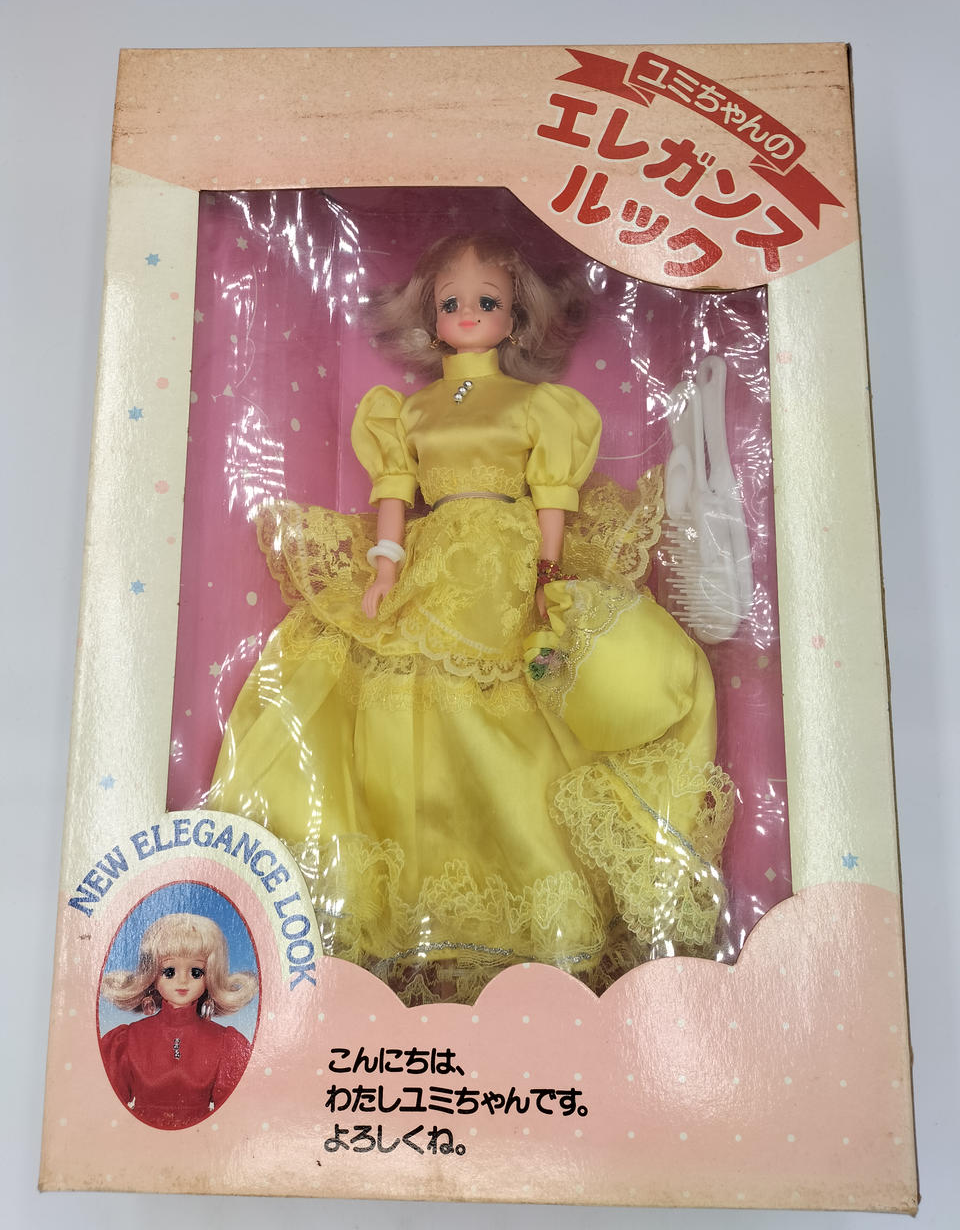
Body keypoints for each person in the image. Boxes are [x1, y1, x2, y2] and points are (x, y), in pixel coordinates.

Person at [208, 234, 732, 1005]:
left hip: (507, 563)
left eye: (487, 302)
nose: (468, 314)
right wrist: (385, 567)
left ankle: (546, 896)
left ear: (515, 317)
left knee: (522, 703)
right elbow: (396, 493)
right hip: (430, 562)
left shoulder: (535, 406)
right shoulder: (407, 412)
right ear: (430, 317)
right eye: (452, 303)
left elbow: (551, 496)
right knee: (408, 695)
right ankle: (416, 901)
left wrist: (546, 574)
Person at [100, 913, 257, 1128]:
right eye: (169, 971)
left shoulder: (225, 1043)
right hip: (139, 1140)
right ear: (151, 974)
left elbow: (237, 1115)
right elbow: (105, 1107)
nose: (182, 981)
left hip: (203, 1140)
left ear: (211, 975)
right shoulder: (125, 1041)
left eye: (196, 972)